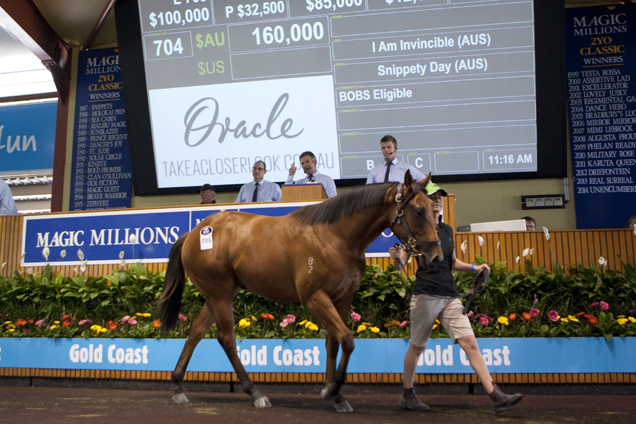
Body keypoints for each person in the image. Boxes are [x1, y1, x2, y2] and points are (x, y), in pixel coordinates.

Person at [390, 182, 522, 414]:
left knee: (470, 343)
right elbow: (401, 264)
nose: (438, 200)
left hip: (450, 295)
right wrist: (395, 258)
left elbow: (451, 262)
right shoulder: (418, 229)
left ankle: (495, 395)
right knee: (417, 347)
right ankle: (407, 393)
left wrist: (474, 267)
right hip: (425, 295)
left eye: (440, 196)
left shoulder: (448, 230)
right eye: (432, 197)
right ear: (424, 201)